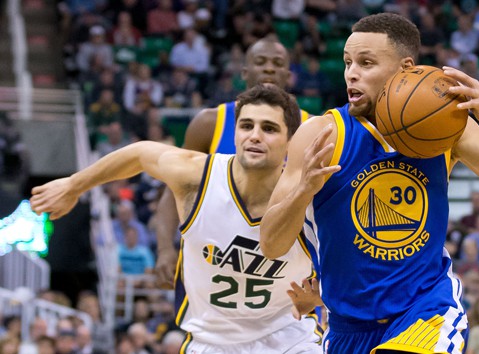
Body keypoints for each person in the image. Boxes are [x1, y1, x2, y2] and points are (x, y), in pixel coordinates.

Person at [260, 12, 479, 353]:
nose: (352, 73)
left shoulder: (445, 128)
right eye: (348, 62)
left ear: (405, 68)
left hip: (425, 311)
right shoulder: (322, 134)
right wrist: (304, 188)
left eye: (366, 63)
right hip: (346, 327)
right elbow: (271, 244)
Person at [30, 85, 322, 353]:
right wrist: (73, 185)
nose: (255, 135)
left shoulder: (309, 192)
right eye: (246, 125)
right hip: (212, 341)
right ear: (235, 133)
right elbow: (140, 154)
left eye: (269, 128)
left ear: (290, 141)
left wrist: (322, 294)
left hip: (288, 337)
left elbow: (357, 258)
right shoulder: (199, 176)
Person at [154, 37, 309, 289]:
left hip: (282, 265)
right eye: (260, 62)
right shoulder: (209, 123)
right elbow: (175, 188)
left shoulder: (310, 128)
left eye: (277, 63)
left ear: (288, 75)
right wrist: (163, 249)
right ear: (245, 73)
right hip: (215, 261)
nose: (269, 68)